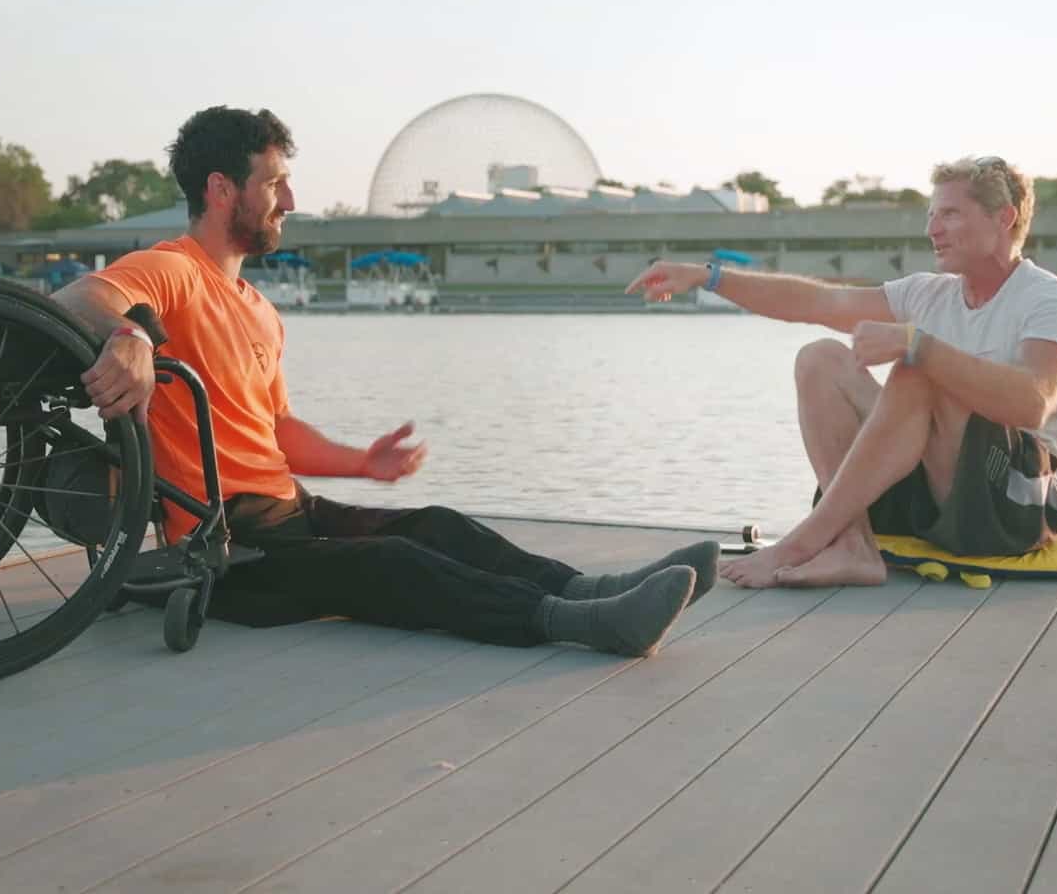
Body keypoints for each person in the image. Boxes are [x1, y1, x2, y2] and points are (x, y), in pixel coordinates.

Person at [53, 105, 716, 656]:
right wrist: (132, 335)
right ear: (222, 190)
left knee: (438, 526)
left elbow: (277, 430)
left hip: (289, 513)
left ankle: (596, 588)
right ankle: (587, 625)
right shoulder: (174, 270)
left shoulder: (256, 307)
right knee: (391, 565)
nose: (290, 200)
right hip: (225, 549)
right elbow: (82, 297)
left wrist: (362, 464)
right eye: (275, 182)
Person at [627, 156, 1057, 588]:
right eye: (931, 215)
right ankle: (851, 545)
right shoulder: (926, 294)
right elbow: (818, 302)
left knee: (918, 370)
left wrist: (920, 345)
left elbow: (1033, 402)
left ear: (1004, 218)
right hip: (938, 493)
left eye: (950, 214)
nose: (933, 229)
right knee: (820, 359)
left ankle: (802, 542)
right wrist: (709, 277)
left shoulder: (1052, 301)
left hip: (1020, 504)